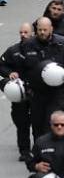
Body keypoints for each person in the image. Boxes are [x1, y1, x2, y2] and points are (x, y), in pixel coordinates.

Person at [22, 17, 64, 137]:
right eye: (39, 30)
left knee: (53, 123)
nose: (42, 32)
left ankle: (54, 151)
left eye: (45, 29)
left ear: (51, 29)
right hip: (36, 92)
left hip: (56, 92)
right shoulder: (27, 45)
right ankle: (39, 150)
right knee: (37, 123)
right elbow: (22, 66)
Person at [0, 23, 35, 161]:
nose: (23, 35)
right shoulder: (13, 50)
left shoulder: (41, 48)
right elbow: (1, 65)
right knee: (21, 122)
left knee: (39, 122)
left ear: (32, 33)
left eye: (26, 32)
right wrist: (9, 73)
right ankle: (24, 151)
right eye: (21, 32)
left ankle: (39, 149)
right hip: (19, 93)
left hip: (37, 92)